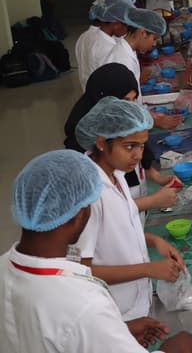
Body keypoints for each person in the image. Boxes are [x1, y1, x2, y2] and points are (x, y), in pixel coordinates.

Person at [0, 150, 192, 353]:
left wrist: (116, 333)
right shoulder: (85, 303)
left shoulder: (4, 267)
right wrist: (176, 348)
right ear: (80, 213)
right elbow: (76, 324)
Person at [74, 98, 186, 321]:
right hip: (114, 312)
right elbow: (82, 272)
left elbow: (115, 231)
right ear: (101, 142)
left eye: (142, 146)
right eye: (129, 146)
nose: (138, 155)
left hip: (134, 303)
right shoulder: (90, 194)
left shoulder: (116, 175)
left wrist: (153, 240)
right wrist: (149, 269)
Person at [65, 63, 179, 217]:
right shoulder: (91, 168)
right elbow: (106, 214)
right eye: (125, 100)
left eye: (134, 99)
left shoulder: (117, 168)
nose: (130, 107)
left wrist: (157, 177)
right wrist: (153, 201)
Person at [102, 7, 166, 100]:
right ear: (143, 33)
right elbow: (124, 103)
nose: (154, 44)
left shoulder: (129, 50)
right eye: (154, 39)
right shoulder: (122, 60)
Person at [76, 0, 129, 90]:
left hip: (88, 92)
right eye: (126, 26)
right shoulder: (108, 47)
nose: (126, 31)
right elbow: (113, 84)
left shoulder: (83, 36)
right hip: (102, 97)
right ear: (116, 24)